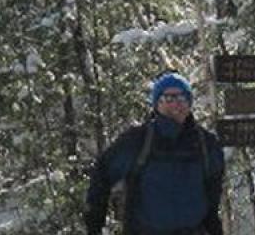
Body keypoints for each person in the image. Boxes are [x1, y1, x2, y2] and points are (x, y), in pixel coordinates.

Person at [85, 71, 225, 235]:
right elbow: (102, 175)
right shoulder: (137, 140)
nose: (175, 104)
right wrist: (94, 224)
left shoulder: (206, 144)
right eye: (168, 98)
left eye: (181, 98)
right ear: (157, 103)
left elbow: (212, 199)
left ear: (189, 103)